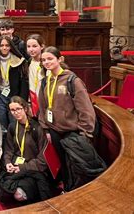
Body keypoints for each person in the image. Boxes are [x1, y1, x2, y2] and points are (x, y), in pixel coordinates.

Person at [38, 46, 96, 187]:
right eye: (44, 60)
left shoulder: (72, 80)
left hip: (72, 132)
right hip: (54, 130)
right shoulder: (46, 81)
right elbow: (43, 107)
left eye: (50, 59)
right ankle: (66, 188)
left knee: (74, 167)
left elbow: (85, 109)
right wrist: (46, 129)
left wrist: (85, 133)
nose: (46, 62)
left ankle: (74, 191)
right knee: (62, 163)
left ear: (60, 59)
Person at [0, 96, 50, 203]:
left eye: (18, 109)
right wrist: (8, 163)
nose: (16, 113)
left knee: (18, 195)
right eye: (12, 110)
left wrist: (22, 168)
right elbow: (8, 150)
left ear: (25, 108)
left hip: (33, 169)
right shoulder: (12, 126)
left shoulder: (37, 128)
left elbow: (43, 159)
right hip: (16, 165)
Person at [0, 35, 29, 132]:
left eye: (7, 45)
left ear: (11, 47)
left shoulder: (19, 61)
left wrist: (22, 100)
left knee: (15, 122)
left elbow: (23, 83)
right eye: (2, 45)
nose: (4, 48)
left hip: (14, 96)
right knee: (2, 123)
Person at [26, 34, 45, 117]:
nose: (31, 49)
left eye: (34, 46)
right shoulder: (28, 62)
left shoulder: (46, 63)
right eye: (28, 46)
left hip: (44, 99)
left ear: (42, 46)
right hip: (32, 99)